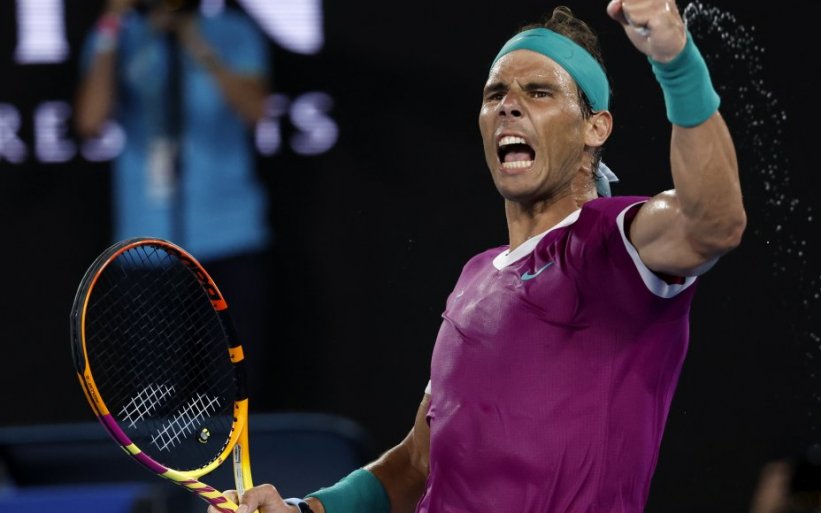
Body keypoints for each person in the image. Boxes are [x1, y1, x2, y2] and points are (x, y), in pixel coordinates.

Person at [214, 0, 746, 512]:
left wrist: (676, 64)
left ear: (595, 127)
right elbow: (417, 465)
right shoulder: (474, 279)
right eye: (496, 95)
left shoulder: (616, 243)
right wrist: (307, 509)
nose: (508, 105)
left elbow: (715, 222)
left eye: (539, 92)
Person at [74, 0, 276, 405]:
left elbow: (257, 110)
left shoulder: (232, 31)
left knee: (235, 390)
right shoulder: (118, 37)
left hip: (229, 236)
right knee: (155, 396)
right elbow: (90, 121)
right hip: (147, 246)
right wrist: (112, 22)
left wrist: (194, 41)